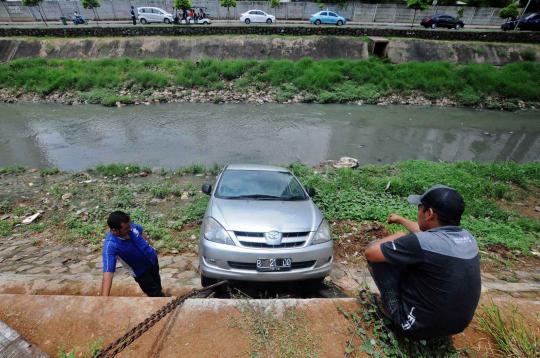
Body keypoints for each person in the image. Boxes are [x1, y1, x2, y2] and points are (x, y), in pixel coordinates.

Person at [364, 184, 481, 339]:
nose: (418, 211)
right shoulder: (468, 238)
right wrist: (400, 220)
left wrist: (399, 235)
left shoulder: (420, 243)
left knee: (378, 251)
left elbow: (371, 253)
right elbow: (423, 233)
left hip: (415, 328)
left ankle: (392, 309)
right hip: (457, 326)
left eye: (420, 207)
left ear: (429, 213)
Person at [100, 211, 164, 297]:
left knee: (157, 282)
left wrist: (149, 245)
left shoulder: (130, 226)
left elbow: (140, 231)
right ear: (114, 230)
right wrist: (104, 300)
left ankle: (160, 293)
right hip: (140, 272)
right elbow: (108, 272)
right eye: (126, 228)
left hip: (152, 260)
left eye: (130, 225)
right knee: (153, 292)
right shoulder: (111, 245)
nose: (130, 228)